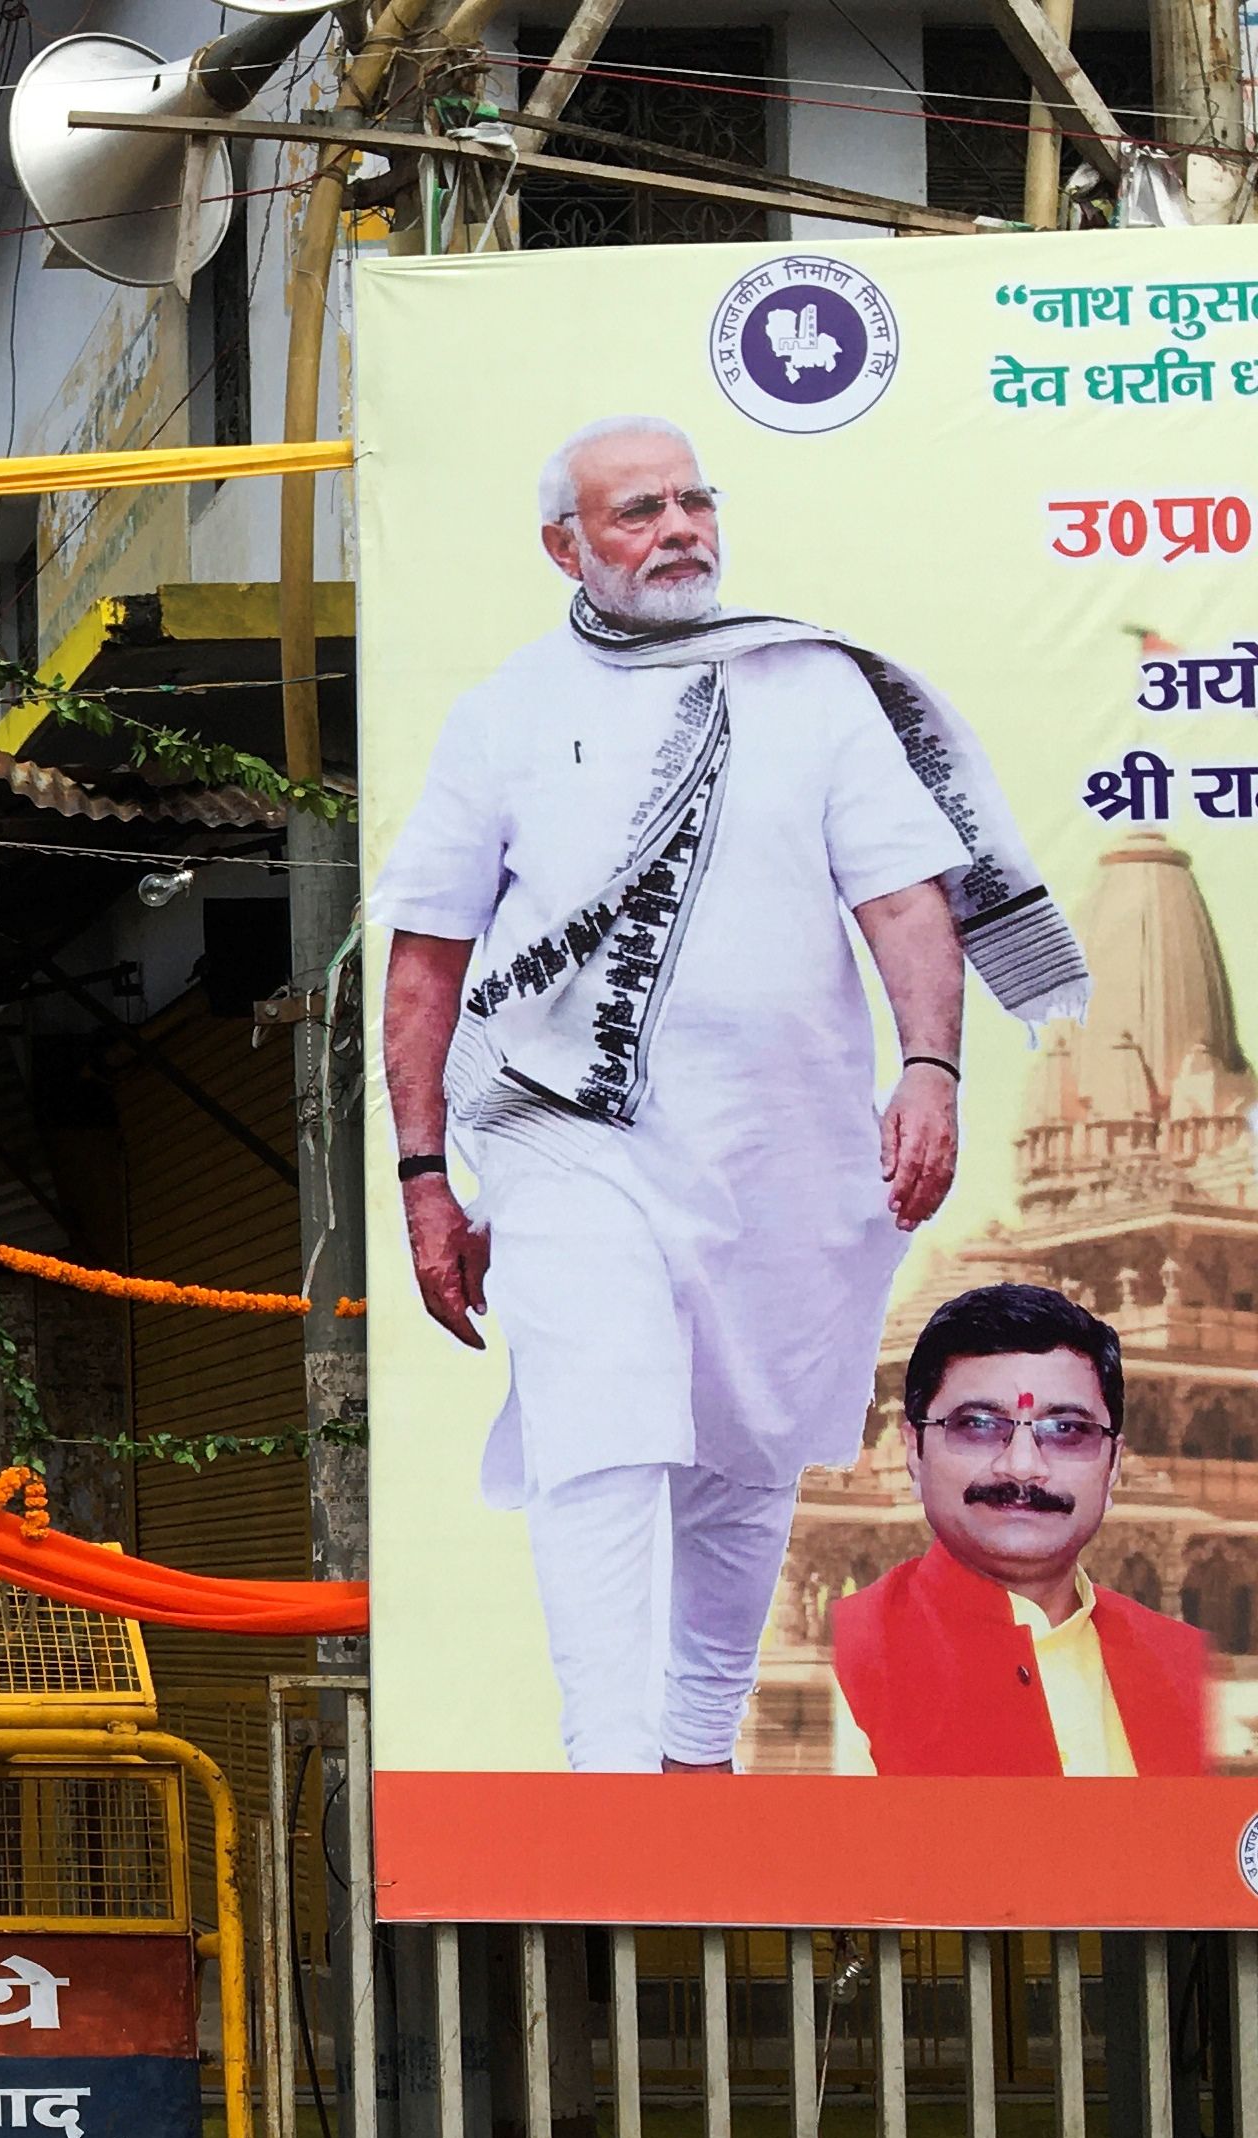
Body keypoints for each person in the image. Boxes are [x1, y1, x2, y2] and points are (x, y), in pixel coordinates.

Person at [376, 414, 1088, 1773]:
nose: (682, 531)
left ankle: (696, 1752)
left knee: (746, 1450)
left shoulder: (805, 688)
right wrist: (426, 1177)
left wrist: (929, 1069)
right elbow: (426, 962)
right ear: (565, 547)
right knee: (604, 1408)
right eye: (640, 511)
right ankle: (609, 1763)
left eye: (696, 502)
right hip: (566, 1137)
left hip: (784, 1140)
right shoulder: (506, 715)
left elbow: (901, 895)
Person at [824, 1284, 1206, 1774]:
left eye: (1067, 1430)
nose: (1022, 1467)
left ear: (1113, 1467)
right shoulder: (845, 1667)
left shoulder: (1188, 1669)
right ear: (913, 1452)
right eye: (979, 1424)